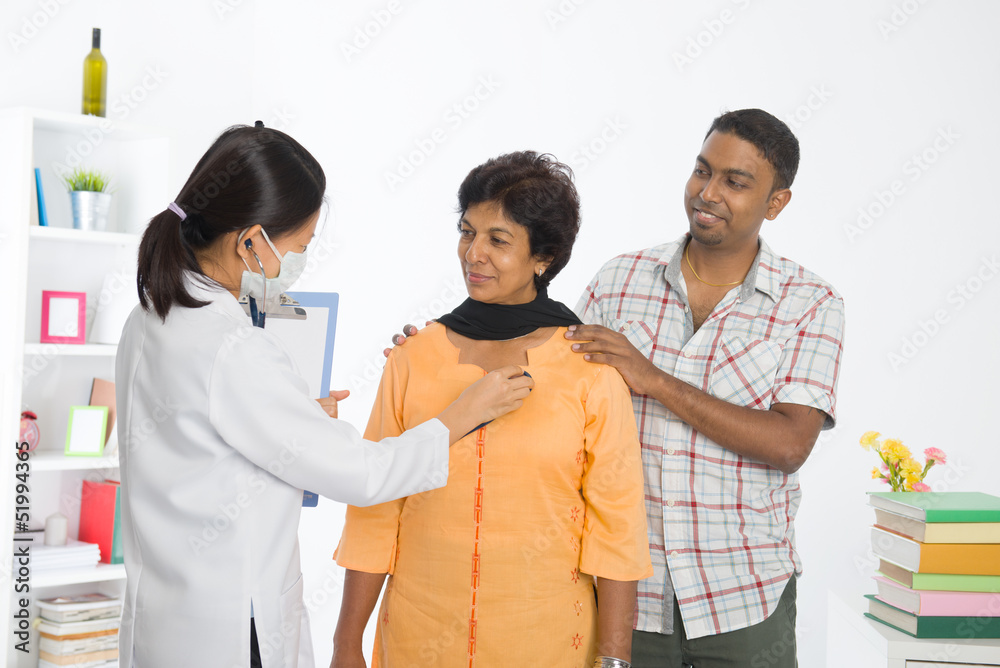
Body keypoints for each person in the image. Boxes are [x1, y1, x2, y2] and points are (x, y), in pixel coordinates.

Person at [116, 123, 532, 668]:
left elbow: (197, 443)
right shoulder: (235, 348)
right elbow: (362, 475)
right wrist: (461, 414)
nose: (298, 260)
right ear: (251, 241)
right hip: (232, 631)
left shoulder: (149, 316)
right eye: (300, 246)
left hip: (166, 619)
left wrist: (297, 422)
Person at [332, 151, 652, 668]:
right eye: (467, 232)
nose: (473, 253)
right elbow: (375, 511)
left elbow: (617, 528)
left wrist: (614, 661)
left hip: (545, 642)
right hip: (418, 637)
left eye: (498, 240)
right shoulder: (414, 357)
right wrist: (346, 643)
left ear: (543, 257)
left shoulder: (588, 368)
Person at [564, 109, 846, 666]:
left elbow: (790, 444)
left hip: (743, 599)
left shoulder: (810, 303)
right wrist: (447, 349)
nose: (707, 192)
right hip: (624, 594)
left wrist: (653, 379)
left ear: (775, 203)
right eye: (702, 170)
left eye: (735, 181)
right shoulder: (618, 281)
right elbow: (556, 400)